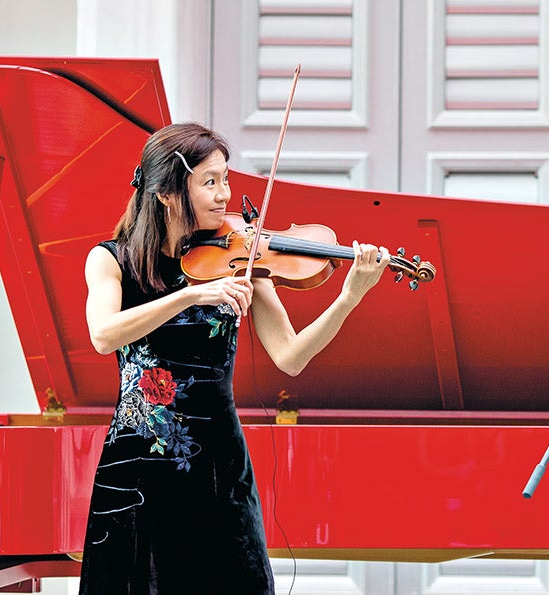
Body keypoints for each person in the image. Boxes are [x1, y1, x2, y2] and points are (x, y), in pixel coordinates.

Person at [79, 122, 390, 594]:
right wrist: (191, 295)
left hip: (219, 467)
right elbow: (103, 335)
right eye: (210, 182)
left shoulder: (241, 256)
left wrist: (348, 298)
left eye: (226, 179)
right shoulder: (111, 260)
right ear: (166, 194)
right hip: (141, 464)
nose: (225, 195)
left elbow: (290, 356)